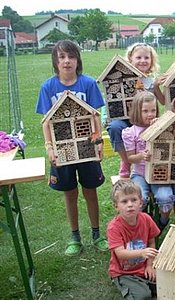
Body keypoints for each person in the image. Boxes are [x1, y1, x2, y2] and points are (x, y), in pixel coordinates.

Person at [36, 40, 108, 256]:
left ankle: (97, 233)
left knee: (90, 190)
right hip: (63, 149)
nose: (67, 61)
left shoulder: (88, 84)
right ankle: (75, 236)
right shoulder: (48, 87)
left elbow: (95, 116)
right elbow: (47, 122)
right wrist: (49, 147)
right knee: (69, 193)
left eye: (71, 56)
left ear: (78, 60)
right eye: (62, 57)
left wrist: (99, 141)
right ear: (55, 62)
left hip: (86, 148)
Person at [122, 91, 175, 229]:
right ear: (136, 111)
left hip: (159, 174)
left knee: (165, 197)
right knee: (140, 197)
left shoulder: (160, 125)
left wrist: (160, 125)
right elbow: (130, 158)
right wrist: (141, 156)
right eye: (145, 111)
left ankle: (161, 222)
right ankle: (139, 225)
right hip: (140, 173)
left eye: (153, 110)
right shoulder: (130, 132)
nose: (150, 114)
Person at [106, 42, 164, 179]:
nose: (143, 61)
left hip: (146, 120)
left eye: (146, 58)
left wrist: (156, 87)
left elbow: (162, 102)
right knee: (115, 127)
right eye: (138, 58)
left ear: (151, 60)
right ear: (130, 59)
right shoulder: (122, 78)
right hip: (127, 120)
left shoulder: (150, 80)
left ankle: (149, 161)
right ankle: (126, 161)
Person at [108, 180, 160, 299]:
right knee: (143, 296)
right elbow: (120, 253)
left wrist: (149, 265)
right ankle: (120, 282)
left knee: (167, 283)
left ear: (141, 203)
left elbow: (151, 242)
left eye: (134, 200)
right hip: (124, 272)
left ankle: (145, 283)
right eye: (124, 201)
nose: (130, 204)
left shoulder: (146, 219)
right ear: (116, 206)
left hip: (143, 266)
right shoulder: (114, 227)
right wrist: (142, 252)